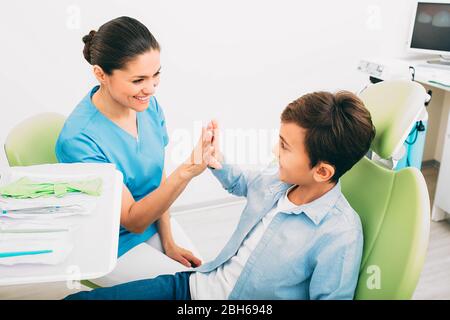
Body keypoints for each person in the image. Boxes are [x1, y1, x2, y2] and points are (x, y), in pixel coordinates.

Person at [64, 90, 376, 300]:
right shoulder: (279, 183)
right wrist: (215, 158)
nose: (274, 150)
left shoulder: (340, 234)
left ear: (321, 171)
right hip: (192, 286)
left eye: (284, 145)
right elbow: (242, 181)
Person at [55, 16, 221, 285]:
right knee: (192, 289)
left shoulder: (146, 106)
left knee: (203, 281)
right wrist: (188, 170)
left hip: (151, 221)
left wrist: (169, 241)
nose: (151, 88)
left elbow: (157, 179)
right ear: (100, 74)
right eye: (138, 80)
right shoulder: (79, 140)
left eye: (156, 75)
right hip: (107, 246)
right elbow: (132, 221)